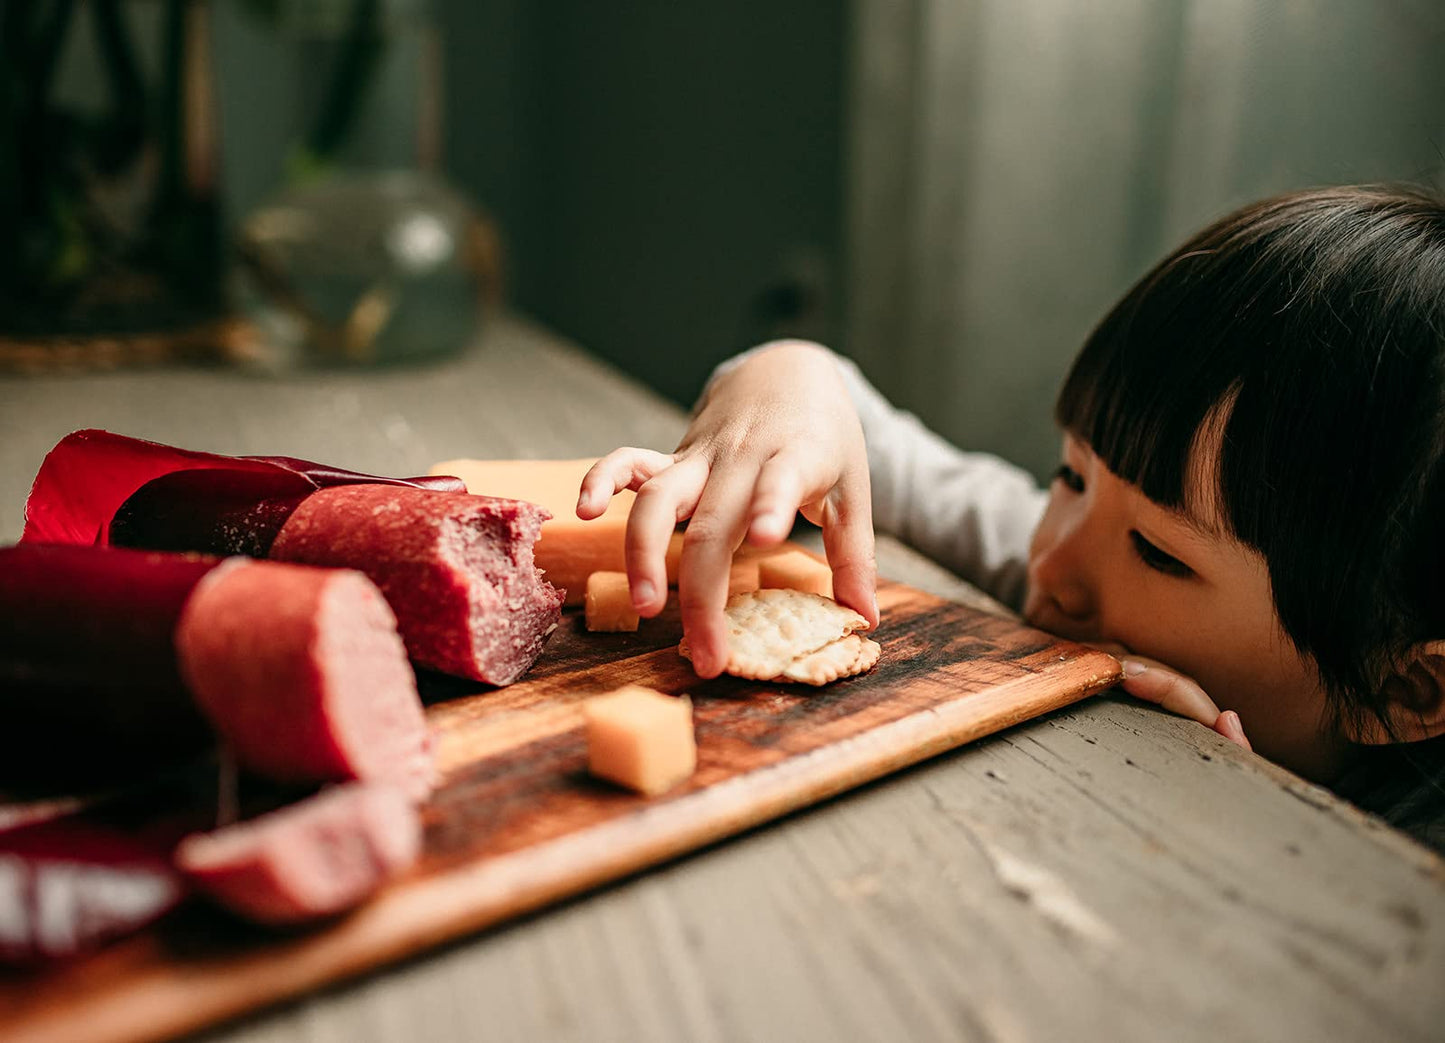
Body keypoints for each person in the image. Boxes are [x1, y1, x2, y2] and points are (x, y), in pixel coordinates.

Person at [576, 185, 1445, 853]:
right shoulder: (1063, 556)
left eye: (1155, 550)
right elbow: (841, 410)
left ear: (1404, 689)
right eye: (1070, 474)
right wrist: (781, 381)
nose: (1052, 558)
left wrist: (1243, 816)